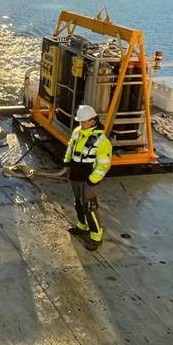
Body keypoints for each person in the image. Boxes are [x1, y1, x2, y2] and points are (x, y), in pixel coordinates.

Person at [64, 104, 112, 250]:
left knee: (90, 207)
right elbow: (70, 148)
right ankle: (82, 226)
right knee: (78, 202)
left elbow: (104, 164)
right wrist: (67, 162)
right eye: (80, 121)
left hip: (88, 179)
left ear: (93, 121)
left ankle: (96, 236)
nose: (81, 124)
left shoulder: (102, 141)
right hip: (75, 175)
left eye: (84, 122)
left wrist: (93, 180)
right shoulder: (77, 132)